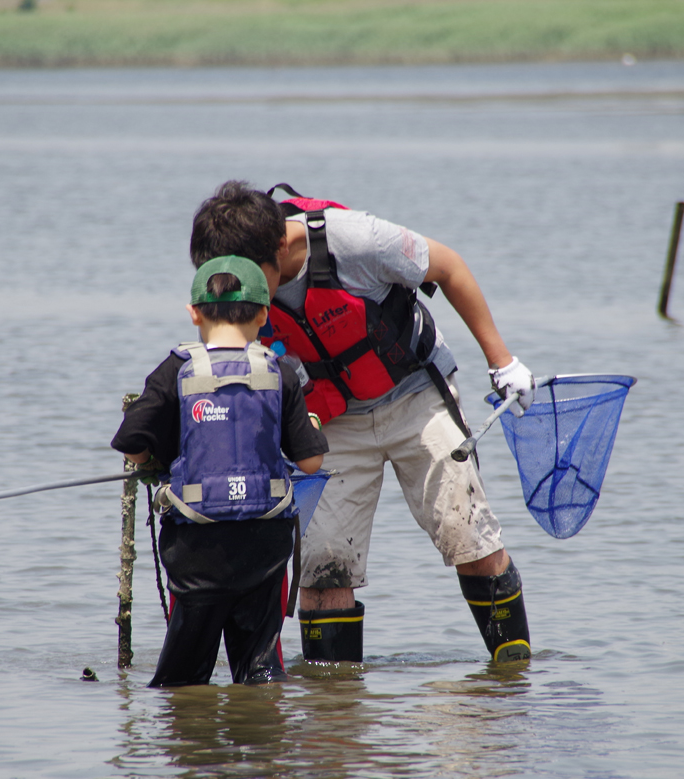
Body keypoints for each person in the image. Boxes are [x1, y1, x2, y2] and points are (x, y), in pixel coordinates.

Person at [187, 181, 536, 664]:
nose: (232, 293)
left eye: (244, 277)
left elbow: (449, 267)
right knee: (324, 569)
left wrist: (502, 362)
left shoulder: (355, 240)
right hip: (332, 420)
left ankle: (511, 679)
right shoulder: (233, 294)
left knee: (469, 535)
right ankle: (334, 715)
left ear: (279, 248)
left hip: (415, 394)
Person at [110, 255, 328, 687]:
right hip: (264, 547)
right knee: (260, 673)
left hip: (196, 550)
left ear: (194, 312)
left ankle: (192, 742)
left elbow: (132, 442)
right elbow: (311, 462)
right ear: (264, 314)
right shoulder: (279, 371)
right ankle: (263, 736)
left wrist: (161, 460)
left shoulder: (176, 369)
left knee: (182, 681)